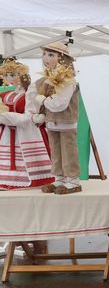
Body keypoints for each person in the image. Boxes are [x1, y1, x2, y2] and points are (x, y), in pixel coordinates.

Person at [27, 42, 81, 194]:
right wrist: (37, 110)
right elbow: (31, 95)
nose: (46, 58)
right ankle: (59, 178)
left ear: (62, 58)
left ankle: (73, 180)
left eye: (51, 55)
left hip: (66, 121)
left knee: (68, 150)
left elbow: (59, 103)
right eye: (44, 54)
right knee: (55, 151)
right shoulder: (44, 80)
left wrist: (42, 100)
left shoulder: (67, 80)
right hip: (51, 122)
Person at [0, 58, 53, 190]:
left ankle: (32, 178)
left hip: (25, 132)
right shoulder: (6, 94)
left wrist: (6, 116)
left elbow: (28, 117)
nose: (9, 78)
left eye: (13, 75)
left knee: (25, 156)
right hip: (7, 132)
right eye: (7, 75)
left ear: (21, 76)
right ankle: (7, 179)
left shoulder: (29, 94)